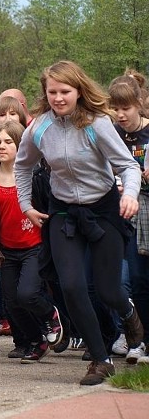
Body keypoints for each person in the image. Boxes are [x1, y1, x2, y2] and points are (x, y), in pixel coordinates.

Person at [14, 60, 144, 385]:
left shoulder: (97, 123)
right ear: (45, 93)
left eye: (65, 91)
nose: (59, 98)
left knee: (108, 290)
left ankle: (128, 315)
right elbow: (22, 166)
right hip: (63, 213)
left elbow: (127, 166)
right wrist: (25, 204)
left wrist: (129, 194)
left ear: (78, 90)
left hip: (104, 210)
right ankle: (100, 360)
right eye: (52, 92)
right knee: (71, 285)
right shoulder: (39, 128)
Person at [0, 121, 63, 364]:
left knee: (27, 294)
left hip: (35, 246)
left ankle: (51, 314)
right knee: (12, 303)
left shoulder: (34, 176)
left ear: (20, 145)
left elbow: (49, 207)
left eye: (8, 142)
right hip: (7, 250)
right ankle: (38, 340)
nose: (2, 146)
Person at [109, 70, 149, 363]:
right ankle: (136, 337)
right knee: (129, 278)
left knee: (142, 278)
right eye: (116, 108)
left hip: (145, 208)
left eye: (126, 108)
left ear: (140, 104)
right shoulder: (111, 132)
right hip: (120, 213)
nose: (121, 115)